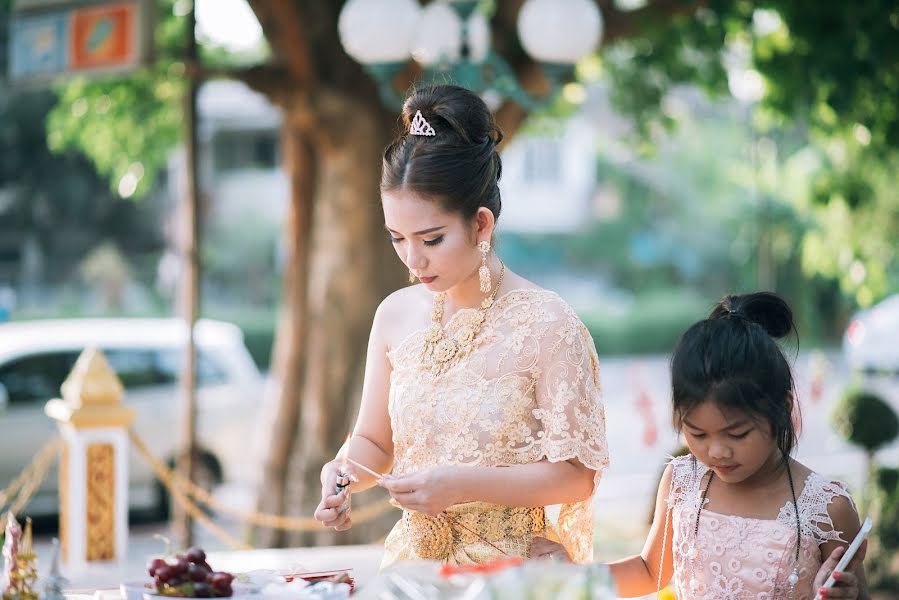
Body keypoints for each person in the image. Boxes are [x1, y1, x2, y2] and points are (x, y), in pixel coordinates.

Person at [313, 85, 609, 567]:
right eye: (397, 238)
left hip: (512, 570)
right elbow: (373, 441)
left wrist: (460, 484)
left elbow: (578, 474)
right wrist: (342, 473)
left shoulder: (548, 324)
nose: (413, 259)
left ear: (482, 224)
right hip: (413, 570)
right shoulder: (394, 314)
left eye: (431, 239)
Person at [532, 292, 868, 599]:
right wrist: (575, 577)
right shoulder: (682, 483)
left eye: (736, 434)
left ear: (782, 408)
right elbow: (649, 571)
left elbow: (856, 592)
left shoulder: (827, 507)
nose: (716, 451)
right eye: (698, 434)